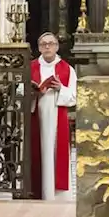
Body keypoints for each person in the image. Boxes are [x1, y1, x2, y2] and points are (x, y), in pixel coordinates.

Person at [30, 31, 76, 200]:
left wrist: (60, 89)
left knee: (56, 152)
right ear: (39, 48)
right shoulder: (31, 66)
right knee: (37, 152)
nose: (47, 47)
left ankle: (58, 196)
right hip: (36, 115)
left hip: (57, 116)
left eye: (50, 44)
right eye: (43, 44)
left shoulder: (67, 69)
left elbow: (74, 96)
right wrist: (32, 91)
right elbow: (19, 93)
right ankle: (38, 192)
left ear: (56, 46)